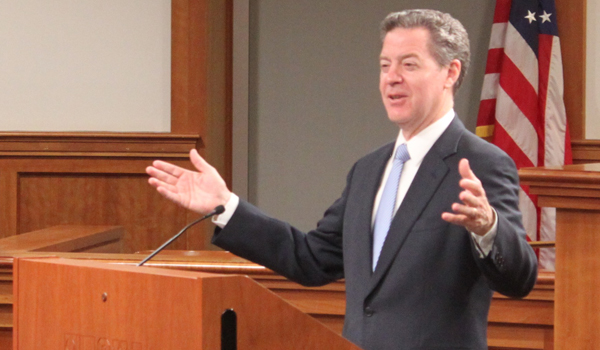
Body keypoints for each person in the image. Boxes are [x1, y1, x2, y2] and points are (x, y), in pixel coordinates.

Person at [146, 9, 538, 350]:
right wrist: (225, 206)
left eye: (409, 64)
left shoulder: (482, 164)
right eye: (385, 65)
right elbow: (312, 260)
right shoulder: (369, 170)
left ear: (450, 72)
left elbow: (520, 278)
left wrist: (488, 227)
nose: (391, 78)